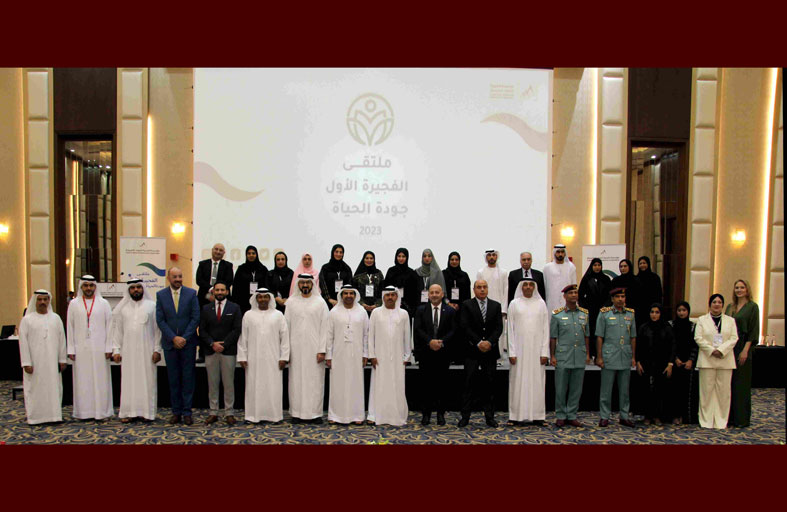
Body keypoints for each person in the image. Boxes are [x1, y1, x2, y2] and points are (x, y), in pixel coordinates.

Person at [110, 279, 162, 423]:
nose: (136, 290)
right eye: (133, 288)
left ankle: (147, 413)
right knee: (129, 382)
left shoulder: (152, 306)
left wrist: (157, 349)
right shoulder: (123, 309)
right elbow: (118, 331)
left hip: (147, 351)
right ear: (129, 290)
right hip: (128, 352)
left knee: (147, 381)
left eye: (139, 287)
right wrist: (116, 350)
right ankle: (129, 412)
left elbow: (157, 330)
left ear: (143, 289)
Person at [156, 267, 201, 425]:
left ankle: (187, 412)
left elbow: (195, 318)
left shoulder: (191, 294)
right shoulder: (161, 295)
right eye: (175, 277)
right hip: (170, 345)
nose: (178, 279)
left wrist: (183, 338)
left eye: (180, 276)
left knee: (188, 379)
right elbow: (160, 320)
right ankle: (176, 412)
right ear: (169, 278)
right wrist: (173, 338)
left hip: (188, 344)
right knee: (173, 380)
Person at [237, 288, 289, 423]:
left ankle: (274, 416)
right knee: (254, 386)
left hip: (274, 358)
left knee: (273, 386)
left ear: (270, 299)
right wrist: (242, 356)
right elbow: (243, 337)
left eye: (266, 297)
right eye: (260, 297)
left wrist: (284, 357)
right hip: (253, 359)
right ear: (256, 299)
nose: (263, 300)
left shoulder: (278, 315)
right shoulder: (248, 315)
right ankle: (253, 416)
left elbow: (284, 338)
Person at [67, 274, 114, 420]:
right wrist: (70, 349)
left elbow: (110, 327)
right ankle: (83, 412)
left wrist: (109, 347)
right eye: (86, 285)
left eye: (91, 285)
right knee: (82, 380)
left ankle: (102, 411)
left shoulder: (104, 303)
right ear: (81, 287)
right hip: (80, 349)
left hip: (100, 349)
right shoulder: (73, 304)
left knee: (101, 380)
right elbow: (70, 327)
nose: (88, 288)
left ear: (95, 287)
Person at [458, 280, 503, 428]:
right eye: (479, 287)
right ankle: (465, 417)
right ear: (474, 289)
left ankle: (490, 417)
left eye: (484, 287)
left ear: (487, 289)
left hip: (490, 351)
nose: (482, 290)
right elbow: (464, 326)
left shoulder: (496, 306)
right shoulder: (466, 305)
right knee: (468, 385)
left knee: (489, 385)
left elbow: (498, 328)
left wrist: (489, 342)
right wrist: (478, 342)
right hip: (472, 351)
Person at [285, 273, 329, 424]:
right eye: (302, 282)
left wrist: (322, 350)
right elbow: (286, 328)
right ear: (298, 284)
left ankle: (315, 414)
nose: (305, 285)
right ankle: (296, 413)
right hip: (295, 349)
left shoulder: (320, 303)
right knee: (295, 381)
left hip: (314, 350)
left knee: (315, 381)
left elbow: (325, 327)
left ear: (312, 284)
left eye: (308, 283)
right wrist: (287, 351)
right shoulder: (291, 302)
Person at [18, 290, 67, 425]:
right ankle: (35, 417)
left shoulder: (56, 318)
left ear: (49, 301)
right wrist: (26, 362)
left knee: (53, 387)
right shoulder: (27, 320)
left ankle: (54, 416)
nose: (43, 302)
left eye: (45, 299)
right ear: (35, 301)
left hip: (52, 362)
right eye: (40, 300)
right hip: (34, 363)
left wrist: (62, 359)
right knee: (35, 388)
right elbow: (23, 343)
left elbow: (62, 340)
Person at [507, 278, 550, 425]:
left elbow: (545, 329)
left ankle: (538, 416)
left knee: (537, 382)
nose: (528, 287)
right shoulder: (514, 304)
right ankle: (515, 416)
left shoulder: (541, 304)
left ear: (534, 287)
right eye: (525, 284)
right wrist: (512, 352)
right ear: (521, 287)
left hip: (537, 352)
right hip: (519, 351)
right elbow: (510, 329)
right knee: (517, 382)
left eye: (531, 284)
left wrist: (544, 352)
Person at [324, 285, 369, 425]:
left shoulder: (362, 312)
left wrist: (365, 354)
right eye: (346, 293)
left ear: (355, 295)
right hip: (338, 354)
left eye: (351, 293)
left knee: (356, 383)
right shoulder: (334, 312)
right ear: (341, 295)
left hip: (356, 354)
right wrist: (328, 355)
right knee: (337, 384)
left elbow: (366, 335)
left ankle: (357, 415)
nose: (348, 296)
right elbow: (329, 335)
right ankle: (335, 415)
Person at [199, 281, 242, 425]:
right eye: (217, 290)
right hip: (210, 350)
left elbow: (237, 329)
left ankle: (229, 412)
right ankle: (213, 412)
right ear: (213, 292)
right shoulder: (206, 309)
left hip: (228, 351)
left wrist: (224, 344)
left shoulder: (234, 308)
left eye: (222, 290)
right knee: (212, 383)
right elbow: (202, 330)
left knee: (229, 383)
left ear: (227, 292)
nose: (219, 292)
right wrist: (212, 344)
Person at [367, 286, 412, 426]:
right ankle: (374, 415)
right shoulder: (376, 313)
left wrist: (407, 356)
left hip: (398, 358)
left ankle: (396, 414)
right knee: (378, 385)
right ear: (383, 297)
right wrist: (371, 355)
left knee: (397, 385)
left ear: (397, 297)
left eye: (393, 295)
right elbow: (370, 336)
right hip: (379, 357)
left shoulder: (403, 314)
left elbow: (407, 336)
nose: (390, 297)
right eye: (388, 295)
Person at [413, 284, 456, 425]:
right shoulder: (421, 310)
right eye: (432, 292)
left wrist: (441, 342)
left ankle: (440, 414)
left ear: (442, 294)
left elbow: (453, 330)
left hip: (443, 353)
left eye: (437, 292)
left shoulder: (450, 310)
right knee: (426, 385)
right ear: (428, 295)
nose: (434, 295)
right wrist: (429, 341)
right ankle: (426, 414)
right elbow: (418, 329)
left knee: (442, 385)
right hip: (426, 353)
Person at [695, 294, 738, 429]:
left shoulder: (730, 321)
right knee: (706, 393)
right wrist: (712, 350)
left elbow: (734, 338)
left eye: (719, 302)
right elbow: (698, 338)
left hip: (725, 360)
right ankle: (706, 421)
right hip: (707, 360)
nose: (717, 304)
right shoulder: (702, 320)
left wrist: (721, 350)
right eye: (714, 302)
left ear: (723, 305)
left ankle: (721, 421)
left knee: (723, 393)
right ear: (710, 304)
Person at [550, 284, 591, 427]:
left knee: (576, 388)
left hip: (579, 354)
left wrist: (588, 353)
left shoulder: (584, 314)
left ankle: (572, 415)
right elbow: (553, 337)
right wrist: (552, 356)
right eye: (571, 293)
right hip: (563, 355)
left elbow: (586, 336)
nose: (574, 295)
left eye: (575, 292)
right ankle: (561, 415)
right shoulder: (557, 315)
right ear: (565, 296)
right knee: (561, 387)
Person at [596, 287, 637, 427]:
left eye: (622, 297)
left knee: (624, 390)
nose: (620, 299)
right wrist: (599, 357)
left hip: (625, 355)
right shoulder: (604, 314)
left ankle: (624, 416)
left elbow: (633, 337)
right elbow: (599, 336)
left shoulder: (630, 314)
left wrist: (633, 356)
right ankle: (604, 416)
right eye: (617, 297)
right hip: (609, 355)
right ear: (612, 299)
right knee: (606, 389)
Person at [725, 279, 760, 428]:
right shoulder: (730, 307)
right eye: (737, 287)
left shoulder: (752, 307)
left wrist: (745, 350)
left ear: (747, 289)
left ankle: (741, 419)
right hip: (729, 347)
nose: (739, 290)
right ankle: (730, 418)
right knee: (729, 383)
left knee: (741, 384)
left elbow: (753, 331)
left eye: (742, 287)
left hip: (743, 347)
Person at [635, 303, 675, 425]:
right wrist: (638, 362)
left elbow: (672, 346)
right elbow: (638, 346)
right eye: (652, 312)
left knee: (660, 390)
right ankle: (647, 416)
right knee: (646, 390)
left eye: (657, 312)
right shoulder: (644, 327)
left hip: (662, 363)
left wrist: (670, 364)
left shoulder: (667, 327)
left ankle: (657, 416)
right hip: (646, 363)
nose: (654, 315)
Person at [669, 301, 698, 424]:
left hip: (688, 363)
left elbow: (695, 345)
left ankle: (685, 416)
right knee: (674, 390)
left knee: (686, 391)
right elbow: (669, 344)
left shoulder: (693, 326)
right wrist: (675, 359)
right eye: (679, 310)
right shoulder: (671, 325)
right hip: (674, 362)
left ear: (688, 312)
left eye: (684, 310)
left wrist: (691, 360)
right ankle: (674, 415)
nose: (681, 313)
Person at [578, 257, 611, 360]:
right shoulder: (587, 278)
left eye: (599, 265)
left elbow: (609, 295)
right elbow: (580, 295)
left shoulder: (606, 279)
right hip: (590, 310)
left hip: (603, 310)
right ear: (591, 266)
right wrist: (584, 308)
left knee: (601, 331)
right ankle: (590, 353)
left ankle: (600, 355)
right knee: (590, 331)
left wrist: (605, 306)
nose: (597, 267)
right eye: (595, 265)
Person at [232, 245, 269, 314]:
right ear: (246, 255)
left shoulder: (263, 269)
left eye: (253, 253)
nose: (251, 255)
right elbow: (236, 287)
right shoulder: (241, 269)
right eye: (249, 253)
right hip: (243, 301)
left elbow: (267, 285)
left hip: (260, 301)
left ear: (256, 255)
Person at [382, 248, 419, 317]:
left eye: (403, 256)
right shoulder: (391, 271)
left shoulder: (411, 273)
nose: (401, 258)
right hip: (392, 304)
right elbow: (386, 289)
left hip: (407, 307)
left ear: (407, 258)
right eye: (399, 256)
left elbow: (414, 292)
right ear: (396, 257)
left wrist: (412, 308)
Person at [196, 243, 234, 308]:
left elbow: (229, 281)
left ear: (224, 253)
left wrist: (217, 291)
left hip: (222, 297)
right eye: (216, 249)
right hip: (204, 296)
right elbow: (199, 280)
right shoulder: (202, 264)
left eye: (220, 250)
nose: (218, 252)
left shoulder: (228, 266)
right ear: (212, 250)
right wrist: (211, 289)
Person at [543, 244, 577, 313]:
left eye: (562, 252)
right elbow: (545, 286)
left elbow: (574, 285)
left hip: (567, 300)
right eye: (558, 252)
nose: (560, 254)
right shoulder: (547, 267)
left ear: (565, 253)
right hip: (552, 301)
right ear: (554, 253)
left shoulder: (571, 267)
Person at [319, 244, 354, 308]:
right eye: (336, 252)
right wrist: (329, 299)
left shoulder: (346, 268)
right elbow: (322, 284)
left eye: (341, 252)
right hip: (328, 302)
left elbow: (349, 284)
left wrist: (344, 299)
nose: (338, 254)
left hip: (344, 302)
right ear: (332, 252)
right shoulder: (325, 268)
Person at [352, 250, 384, 316]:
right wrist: (362, 304)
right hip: (360, 308)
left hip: (376, 309)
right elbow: (354, 291)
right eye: (367, 258)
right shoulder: (358, 275)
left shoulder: (379, 274)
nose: (369, 260)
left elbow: (382, 290)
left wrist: (377, 305)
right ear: (363, 259)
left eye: (371, 258)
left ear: (374, 260)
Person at [636, 257, 663, 328]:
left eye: (644, 263)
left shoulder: (655, 278)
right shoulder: (636, 278)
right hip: (640, 310)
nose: (642, 265)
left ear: (648, 264)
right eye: (640, 263)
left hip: (652, 309)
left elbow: (659, 294)